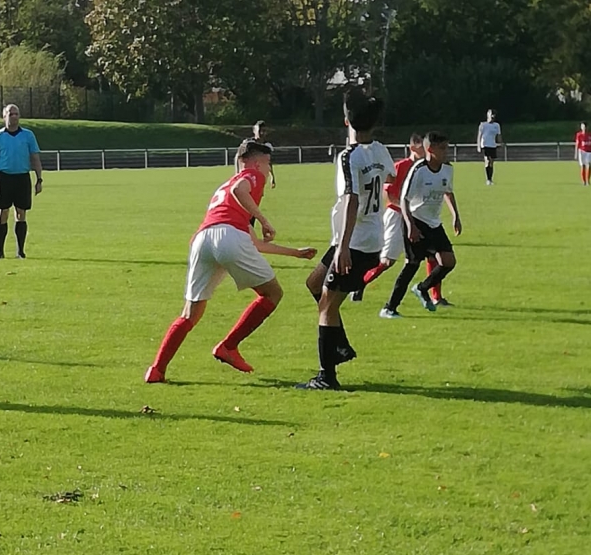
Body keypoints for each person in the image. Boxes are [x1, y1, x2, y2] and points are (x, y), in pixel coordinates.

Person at [145, 139, 315, 383]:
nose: (269, 169)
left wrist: (295, 253)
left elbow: (255, 243)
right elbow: (240, 191)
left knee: (190, 314)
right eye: (268, 163)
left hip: (203, 240)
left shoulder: (225, 189)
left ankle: (156, 370)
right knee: (273, 293)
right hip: (228, 236)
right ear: (257, 163)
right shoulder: (251, 176)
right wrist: (264, 220)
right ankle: (228, 346)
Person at [297, 90, 395, 391]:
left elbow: (351, 199)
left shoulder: (348, 156)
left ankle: (327, 377)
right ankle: (339, 346)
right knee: (314, 284)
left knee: (328, 306)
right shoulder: (380, 150)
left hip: (353, 242)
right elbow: (390, 178)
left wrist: (342, 248)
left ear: (346, 121)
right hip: (366, 237)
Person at [379, 131, 462, 319]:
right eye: (442, 148)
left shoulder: (447, 169)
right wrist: (411, 226)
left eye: (447, 148)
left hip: (434, 223)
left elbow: (448, 192)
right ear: (430, 150)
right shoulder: (418, 170)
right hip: (416, 220)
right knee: (412, 265)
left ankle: (422, 288)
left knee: (448, 261)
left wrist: (455, 216)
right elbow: (404, 199)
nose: (446, 152)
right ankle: (389, 308)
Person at [348, 133, 426, 301]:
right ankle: (358, 284)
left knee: (431, 254)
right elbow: (388, 194)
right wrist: (406, 209)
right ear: (413, 148)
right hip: (396, 215)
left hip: (413, 217)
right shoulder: (401, 166)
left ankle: (434, 296)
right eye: (422, 147)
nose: (425, 150)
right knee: (386, 261)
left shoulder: (423, 168)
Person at [0, 104, 43, 259]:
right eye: (11, 114)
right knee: (2, 213)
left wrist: (39, 179)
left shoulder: (28, 135)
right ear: (4, 116)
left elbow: (35, 158)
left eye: (16, 114)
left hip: (22, 178)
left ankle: (20, 251)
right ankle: (0, 251)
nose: (14, 117)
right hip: (4, 178)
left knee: (21, 213)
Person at [477, 109, 502, 185]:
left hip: (492, 145)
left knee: (491, 163)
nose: (492, 116)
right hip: (485, 145)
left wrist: (500, 143)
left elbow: (498, 135)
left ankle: (490, 179)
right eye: (491, 114)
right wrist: (478, 145)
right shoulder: (483, 125)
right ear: (488, 115)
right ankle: (488, 179)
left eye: (493, 115)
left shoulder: (496, 125)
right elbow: (479, 135)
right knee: (487, 160)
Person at [573, 121, 591, 186]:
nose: (583, 128)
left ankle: (588, 180)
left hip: (589, 152)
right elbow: (577, 144)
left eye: (584, 126)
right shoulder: (579, 135)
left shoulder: (589, 135)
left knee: (589, 165)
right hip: (582, 151)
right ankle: (584, 181)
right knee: (583, 166)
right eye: (582, 126)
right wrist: (576, 153)